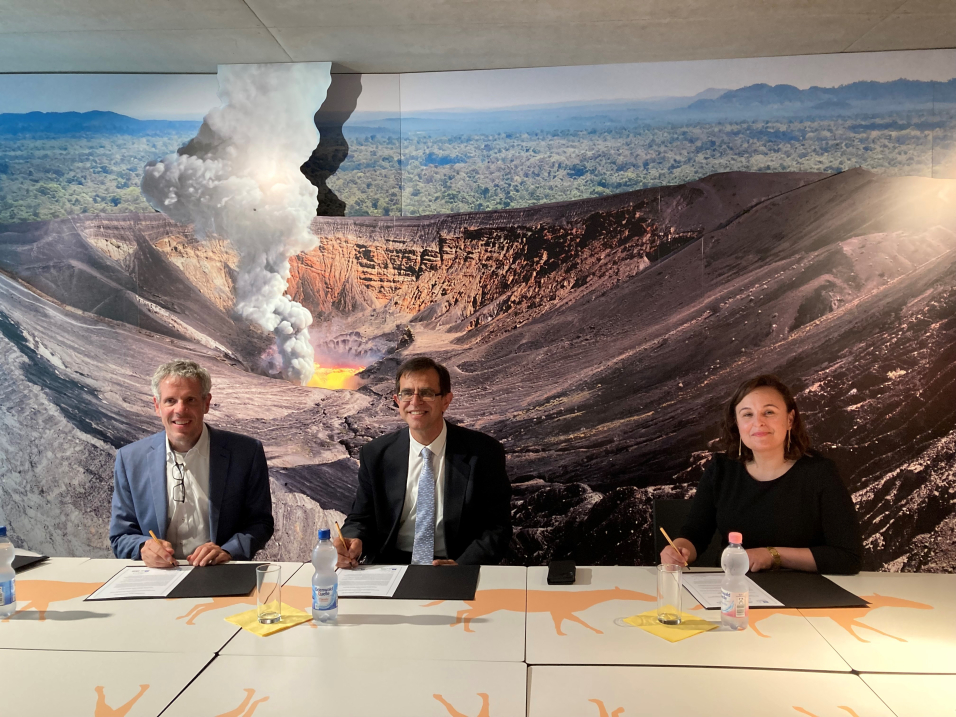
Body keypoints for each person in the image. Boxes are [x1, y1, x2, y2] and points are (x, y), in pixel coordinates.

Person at [661, 374, 862, 574]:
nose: (758, 422)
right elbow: (694, 535)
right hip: (732, 587)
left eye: (769, 412)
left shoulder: (819, 473)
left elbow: (848, 558)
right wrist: (678, 550)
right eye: (747, 414)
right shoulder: (721, 470)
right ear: (737, 423)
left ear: (790, 419)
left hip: (802, 589)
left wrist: (772, 555)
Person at [337, 356, 511, 567]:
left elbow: (497, 527)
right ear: (397, 400)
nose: (415, 401)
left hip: (456, 564)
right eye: (407, 393)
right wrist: (353, 539)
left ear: (446, 400)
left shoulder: (484, 452)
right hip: (389, 565)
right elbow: (360, 519)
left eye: (426, 393)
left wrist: (462, 567)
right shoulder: (376, 453)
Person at [110, 359, 274, 568]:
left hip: (220, 572)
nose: (180, 410)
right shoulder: (130, 459)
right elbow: (121, 535)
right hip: (157, 576)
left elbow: (260, 523)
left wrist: (229, 550)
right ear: (157, 406)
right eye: (170, 401)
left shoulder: (246, 453)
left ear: (206, 403)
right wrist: (143, 547)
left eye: (190, 400)